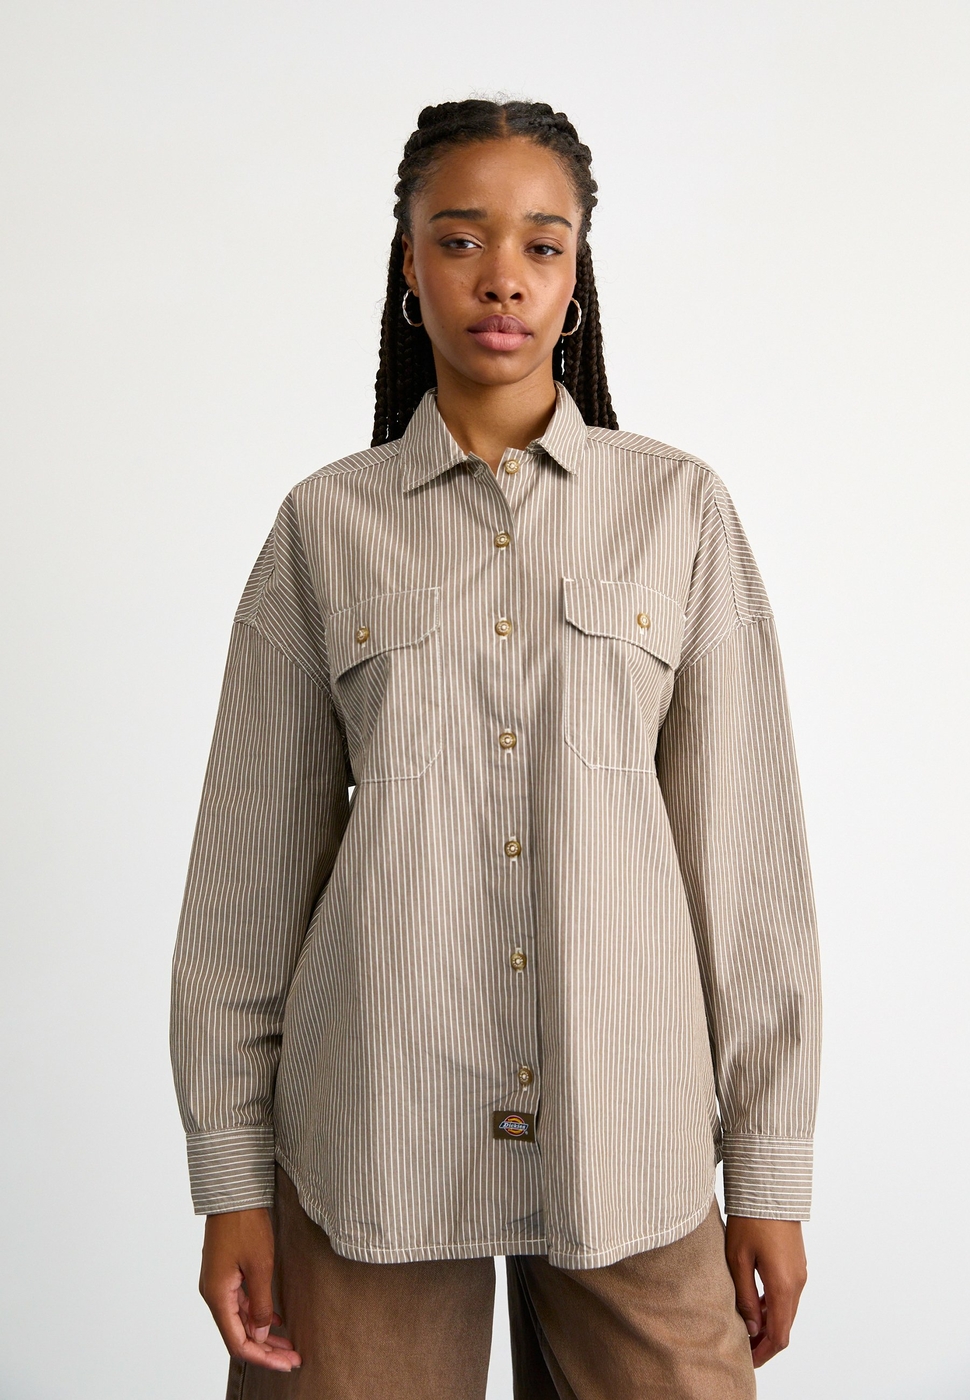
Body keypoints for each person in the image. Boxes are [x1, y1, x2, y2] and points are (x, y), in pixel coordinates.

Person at [170, 99, 822, 1399]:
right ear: (409, 267)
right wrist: (233, 1182)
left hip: (627, 1135)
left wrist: (768, 1171)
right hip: (373, 1135)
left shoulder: (679, 511)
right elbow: (246, 882)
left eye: (542, 243)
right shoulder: (324, 526)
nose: (502, 277)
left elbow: (744, 863)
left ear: (577, 277)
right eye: (460, 239)